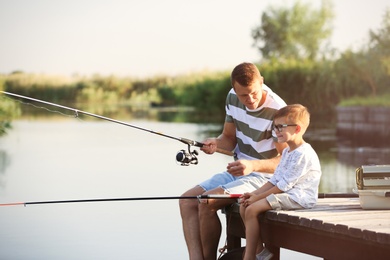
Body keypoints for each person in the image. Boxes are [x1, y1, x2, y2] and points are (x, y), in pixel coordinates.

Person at [179, 62, 288, 260]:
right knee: (186, 201)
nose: (250, 99)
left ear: (261, 82)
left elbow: (286, 161)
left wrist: (252, 165)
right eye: (243, 95)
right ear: (234, 89)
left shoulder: (279, 110)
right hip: (238, 171)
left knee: (206, 202)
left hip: (266, 178)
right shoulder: (232, 97)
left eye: (254, 93)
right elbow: (228, 139)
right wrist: (215, 143)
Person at [240, 104, 322, 260]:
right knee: (244, 207)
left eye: (280, 127)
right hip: (286, 193)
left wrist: (258, 198)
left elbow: (284, 185)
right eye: (274, 127)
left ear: (297, 129)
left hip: (299, 197)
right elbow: (275, 179)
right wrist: (254, 193)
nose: (276, 131)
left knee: (251, 210)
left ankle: (249, 256)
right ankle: (260, 252)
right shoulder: (286, 151)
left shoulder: (303, 154)